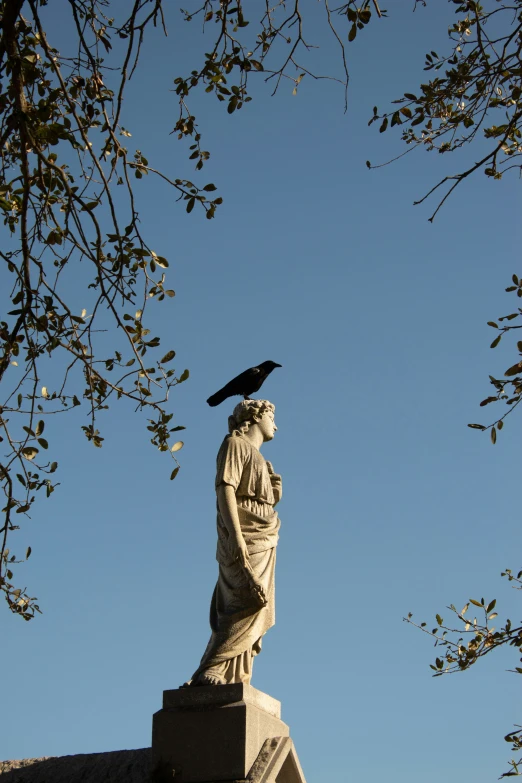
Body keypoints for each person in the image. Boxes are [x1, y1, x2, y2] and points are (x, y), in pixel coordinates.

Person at [186, 399, 282, 686]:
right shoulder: (235, 444)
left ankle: (236, 673)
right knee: (243, 600)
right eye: (271, 417)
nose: (275, 425)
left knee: (257, 605)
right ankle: (213, 668)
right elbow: (225, 489)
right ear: (255, 417)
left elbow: (256, 497)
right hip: (243, 535)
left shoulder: (262, 460)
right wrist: (236, 538)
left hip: (264, 534)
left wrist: (273, 493)